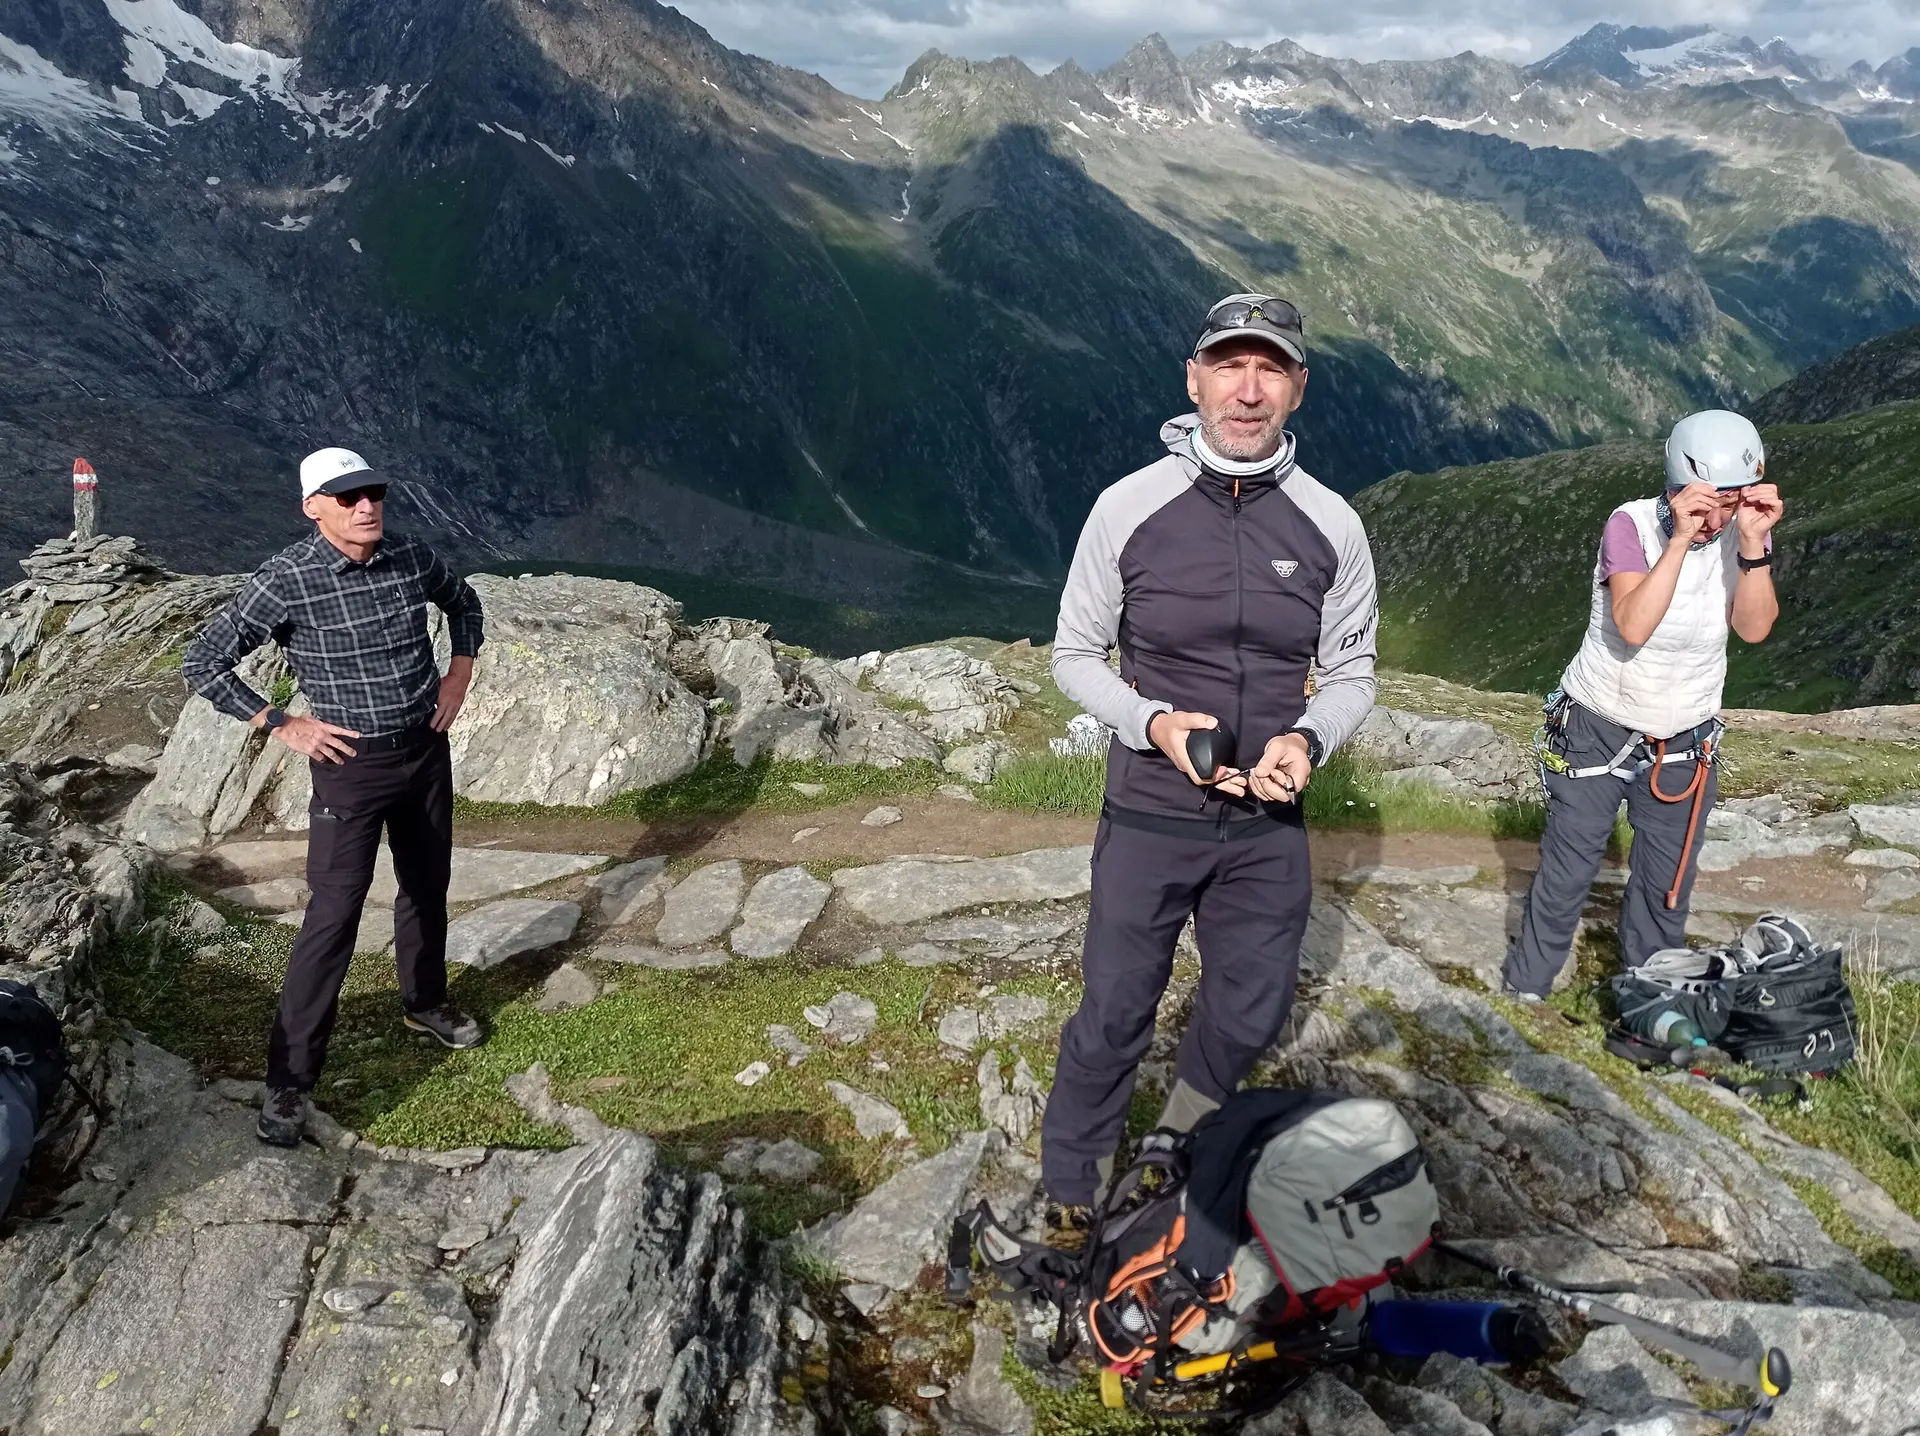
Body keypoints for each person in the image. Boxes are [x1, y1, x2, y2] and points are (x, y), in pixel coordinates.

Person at [1041, 293, 1379, 1239]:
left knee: (1251, 1007)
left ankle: (1175, 1141)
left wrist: (1306, 741)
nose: (1248, 388)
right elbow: (1074, 655)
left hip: (1267, 817)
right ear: (1194, 380)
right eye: (1230, 365)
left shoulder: (1332, 525)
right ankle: (1071, 1186)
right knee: (1116, 1007)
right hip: (1151, 807)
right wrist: (1150, 723)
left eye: (1270, 369)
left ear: (1298, 389)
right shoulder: (1127, 507)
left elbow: (1353, 672)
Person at [183, 448, 489, 1147]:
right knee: (334, 913)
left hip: (424, 750)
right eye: (347, 497)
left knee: (426, 884)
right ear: (312, 508)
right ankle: (290, 1081)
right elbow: (202, 661)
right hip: (349, 766)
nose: (366, 506)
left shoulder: (409, 555)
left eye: (372, 492)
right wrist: (279, 722)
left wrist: (458, 675)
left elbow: (463, 602)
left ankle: (425, 1002)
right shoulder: (286, 580)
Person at [1502, 410, 1783, 1003]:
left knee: (1665, 887)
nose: (1721, 517)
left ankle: (1651, 1004)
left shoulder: (1744, 533)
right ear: (1680, 485)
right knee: (1568, 869)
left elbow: (1754, 628)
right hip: (1596, 727)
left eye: (1734, 501)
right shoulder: (1628, 525)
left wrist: (1753, 545)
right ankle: (1526, 989)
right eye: (1713, 501)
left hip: (1685, 740)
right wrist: (1679, 540)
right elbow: (1632, 625)